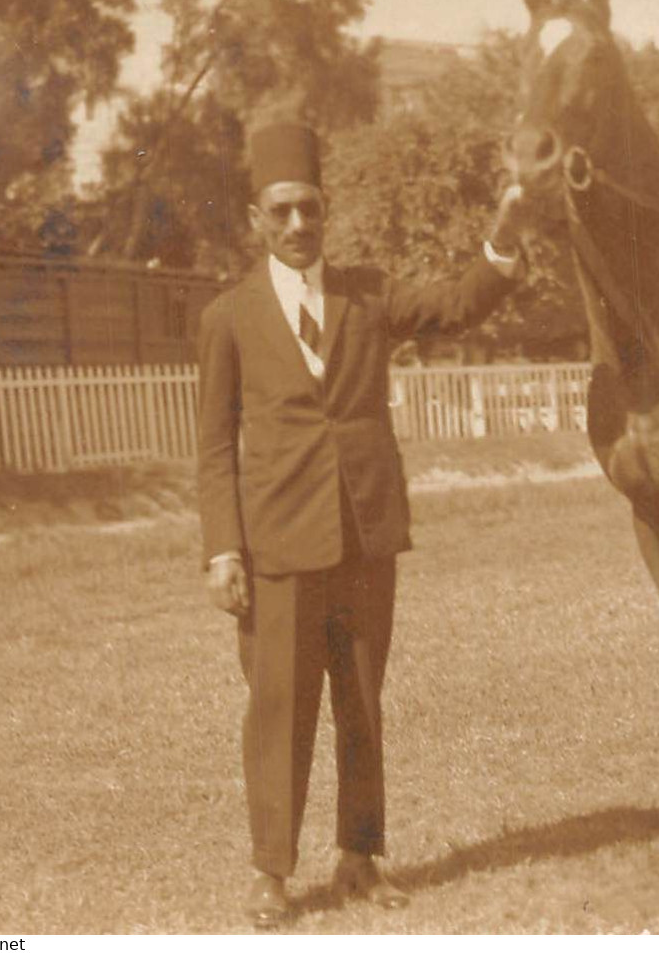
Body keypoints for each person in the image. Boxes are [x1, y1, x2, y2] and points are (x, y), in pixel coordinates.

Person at [196, 114, 525, 927]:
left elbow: (455, 302)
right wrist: (221, 550)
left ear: (325, 209)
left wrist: (505, 238)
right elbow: (211, 447)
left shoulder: (369, 294)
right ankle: (272, 871)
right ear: (257, 220)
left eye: (309, 208)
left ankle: (359, 855)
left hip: (366, 532)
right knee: (278, 705)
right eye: (281, 211)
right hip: (276, 541)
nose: (298, 224)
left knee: (362, 700)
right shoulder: (227, 318)